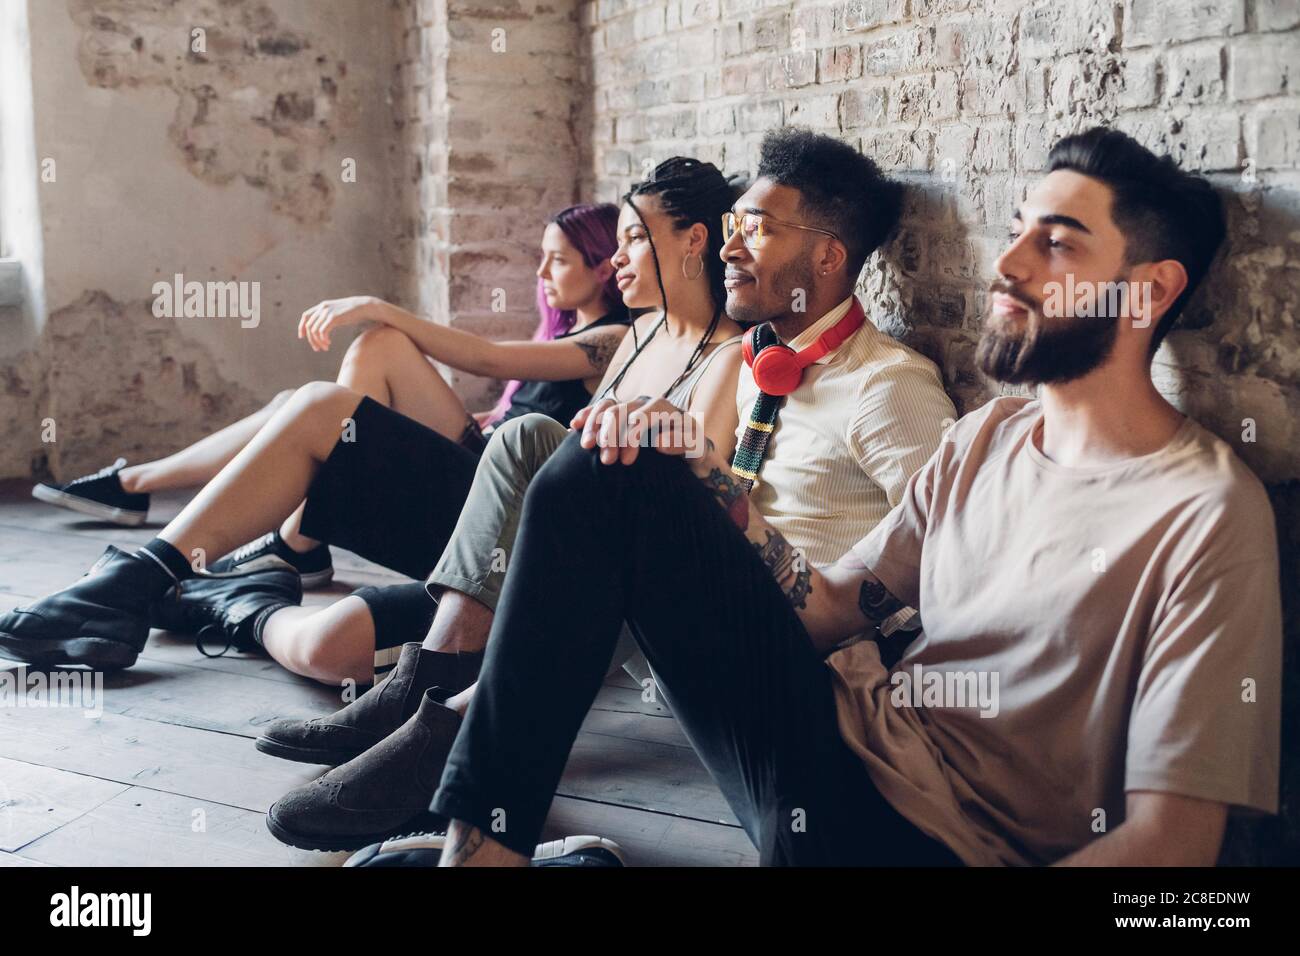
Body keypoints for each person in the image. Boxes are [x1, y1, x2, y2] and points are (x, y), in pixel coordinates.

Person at [416, 126, 1280, 868]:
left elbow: (1175, 846)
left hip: (923, 841)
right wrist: (709, 487)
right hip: (835, 738)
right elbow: (829, 607)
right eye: (1016, 231)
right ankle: (484, 845)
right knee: (605, 460)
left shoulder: (1204, 512)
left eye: (1055, 244)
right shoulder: (991, 436)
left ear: (1151, 289)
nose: (1007, 264)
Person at [283, 128, 962, 856]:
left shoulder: (888, 387)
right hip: (702, 638)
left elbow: (949, 569)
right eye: (732, 228)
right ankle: (457, 762)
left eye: (754, 231)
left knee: (611, 464)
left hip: (809, 681)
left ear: (828, 255)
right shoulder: (755, 361)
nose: (729, 248)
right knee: (595, 447)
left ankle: (451, 753)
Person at [249, 156, 748, 850]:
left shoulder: (730, 357)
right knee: (517, 441)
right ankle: (408, 684)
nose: (620, 259)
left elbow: (700, 507)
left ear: (693, 241)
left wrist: (657, 433)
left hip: (623, 597)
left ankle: (432, 736)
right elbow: (490, 364)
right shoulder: (635, 337)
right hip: (530, 563)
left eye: (636, 238)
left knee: (540, 450)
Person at [0, 202, 640, 670]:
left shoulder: (617, 338)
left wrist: (378, 302)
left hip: (498, 524)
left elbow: (487, 360)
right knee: (350, 370)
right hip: (484, 472)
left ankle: (173, 567)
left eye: (559, 258)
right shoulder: (559, 331)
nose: (543, 271)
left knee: (327, 400)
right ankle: (273, 539)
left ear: (602, 266)